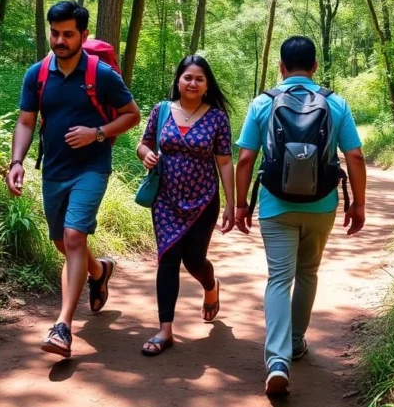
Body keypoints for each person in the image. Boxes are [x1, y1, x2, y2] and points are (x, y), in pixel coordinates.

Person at [5, 0, 141, 359]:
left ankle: (62, 326)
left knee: (73, 236)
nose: (60, 40)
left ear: (83, 34)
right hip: (54, 170)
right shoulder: (37, 74)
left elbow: (132, 115)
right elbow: (25, 121)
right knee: (63, 244)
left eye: (68, 34)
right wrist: (16, 161)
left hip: (92, 168)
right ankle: (100, 272)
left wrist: (97, 133)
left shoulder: (102, 75)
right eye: (55, 33)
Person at [234, 35, 367, 397]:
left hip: (275, 204)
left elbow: (245, 159)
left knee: (279, 278)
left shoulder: (262, 103)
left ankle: (277, 360)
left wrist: (239, 204)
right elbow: (354, 156)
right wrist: (359, 203)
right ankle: (295, 341)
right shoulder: (336, 102)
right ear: (314, 67)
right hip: (322, 204)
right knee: (307, 272)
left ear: (280, 67)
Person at [135, 56, 236, 356]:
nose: (192, 83)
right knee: (167, 258)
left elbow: (225, 161)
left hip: (204, 199)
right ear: (178, 80)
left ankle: (211, 286)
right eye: (187, 77)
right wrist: (145, 155)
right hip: (165, 198)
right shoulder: (161, 110)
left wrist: (232, 204)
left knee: (193, 261)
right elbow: (144, 143)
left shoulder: (217, 118)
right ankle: (165, 330)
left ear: (207, 85)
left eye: (199, 79)